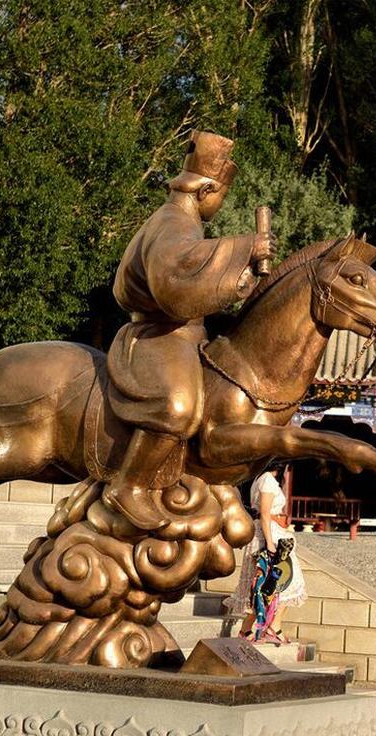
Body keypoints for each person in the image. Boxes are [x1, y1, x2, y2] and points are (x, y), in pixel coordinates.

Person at [102, 130, 277, 519]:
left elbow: (196, 273)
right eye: (221, 196)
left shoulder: (184, 224)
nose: (220, 204)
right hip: (160, 334)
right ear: (206, 191)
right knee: (179, 407)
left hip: (185, 336)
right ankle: (128, 485)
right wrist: (246, 247)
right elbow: (177, 274)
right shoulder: (174, 224)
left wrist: (243, 275)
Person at [226, 465, 307, 643]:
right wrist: (270, 543)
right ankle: (271, 627)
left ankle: (250, 629)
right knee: (285, 583)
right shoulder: (268, 480)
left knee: (267, 586)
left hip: (271, 533)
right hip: (269, 535)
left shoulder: (260, 478)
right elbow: (264, 514)